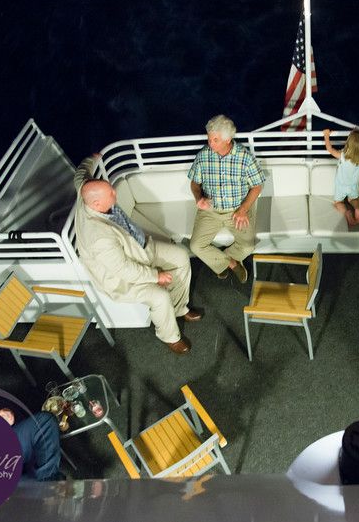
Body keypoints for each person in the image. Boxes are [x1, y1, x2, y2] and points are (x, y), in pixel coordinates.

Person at [74, 153, 200, 355]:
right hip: (122, 279)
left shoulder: (86, 190)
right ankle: (170, 336)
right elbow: (124, 270)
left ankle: (179, 308)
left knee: (181, 257)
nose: (115, 194)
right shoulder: (98, 237)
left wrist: (93, 158)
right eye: (111, 194)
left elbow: (81, 173)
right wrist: (156, 276)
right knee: (159, 297)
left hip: (140, 247)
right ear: (96, 204)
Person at [188, 114, 266, 284]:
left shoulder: (245, 157)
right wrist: (198, 198)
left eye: (215, 140)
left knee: (248, 246)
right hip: (211, 209)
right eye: (209, 139)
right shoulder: (203, 156)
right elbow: (194, 183)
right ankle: (231, 263)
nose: (210, 143)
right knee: (195, 246)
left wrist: (243, 210)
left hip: (237, 209)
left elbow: (258, 186)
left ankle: (221, 263)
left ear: (228, 139)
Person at [322, 128, 359, 225]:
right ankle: (356, 209)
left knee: (338, 202)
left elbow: (329, 149)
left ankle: (347, 213)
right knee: (353, 199)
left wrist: (326, 135)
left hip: (341, 186)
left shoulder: (343, 156)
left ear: (348, 145)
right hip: (354, 186)